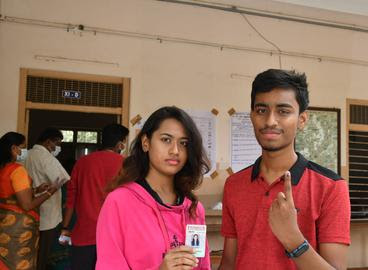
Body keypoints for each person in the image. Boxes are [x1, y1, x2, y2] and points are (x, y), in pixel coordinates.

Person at [219, 69, 351, 270]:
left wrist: (292, 239)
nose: (270, 121)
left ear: (302, 120)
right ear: (252, 115)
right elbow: (229, 263)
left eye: (283, 111)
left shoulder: (331, 187)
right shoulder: (234, 185)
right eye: (261, 110)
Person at [96, 106, 211, 270]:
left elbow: (203, 266)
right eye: (166, 140)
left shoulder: (194, 208)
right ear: (145, 143)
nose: (175, 150)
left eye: (184, 143)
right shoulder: (119, 202)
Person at [59, 124, 129, 270]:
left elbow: (71, 198)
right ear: (119, 143)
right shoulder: (126, 165)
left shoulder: (82, 162)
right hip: (114, 235)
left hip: (84, 234)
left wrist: (65, 227)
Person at [0, 132, 58, 270]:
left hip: (4, 224)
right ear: (14, 149)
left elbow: (10, 194)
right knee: (19, 263)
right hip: (19, 231)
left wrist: (36, 190)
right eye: (23, 147)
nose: (25, 151)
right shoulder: (17, 170)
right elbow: (27, 205)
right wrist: (50, 192)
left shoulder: (3, 168)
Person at [25, 127, 70, 270]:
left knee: (30, 248)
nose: (58, 147)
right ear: (48, 141)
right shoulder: (47, 158)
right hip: (47, 211)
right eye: (57, 143)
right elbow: (62, 180)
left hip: (28, 207)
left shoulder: (27, 154)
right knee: (43, 251)